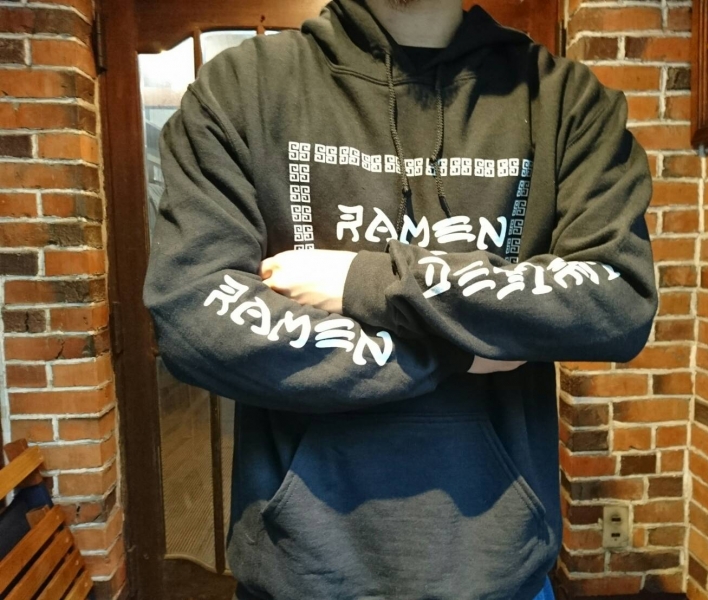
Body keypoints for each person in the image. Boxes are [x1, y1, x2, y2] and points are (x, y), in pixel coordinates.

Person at [141, 0, 659, 598]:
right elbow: (192, 314)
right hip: (300, 573)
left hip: (500, 573)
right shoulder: (243, 87)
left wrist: (365, 283)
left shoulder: (566, 100)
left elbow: (616, 297)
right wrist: (457, 351)